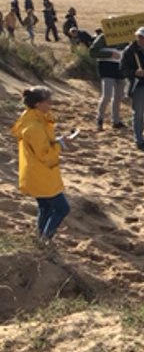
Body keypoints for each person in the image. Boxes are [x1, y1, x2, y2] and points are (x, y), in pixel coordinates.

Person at [12, 86, 70, 243]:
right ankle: (45, 239)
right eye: (48, 100)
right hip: (41, 174)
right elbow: (45, 154)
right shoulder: (34, 126)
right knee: (62, 208)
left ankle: (40, 238)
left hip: (35, 172)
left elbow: (42, 144)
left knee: (45, 208)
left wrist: (57, 141)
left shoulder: (33, 118)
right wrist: (60, 145)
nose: (51, 103)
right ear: (38, 103)